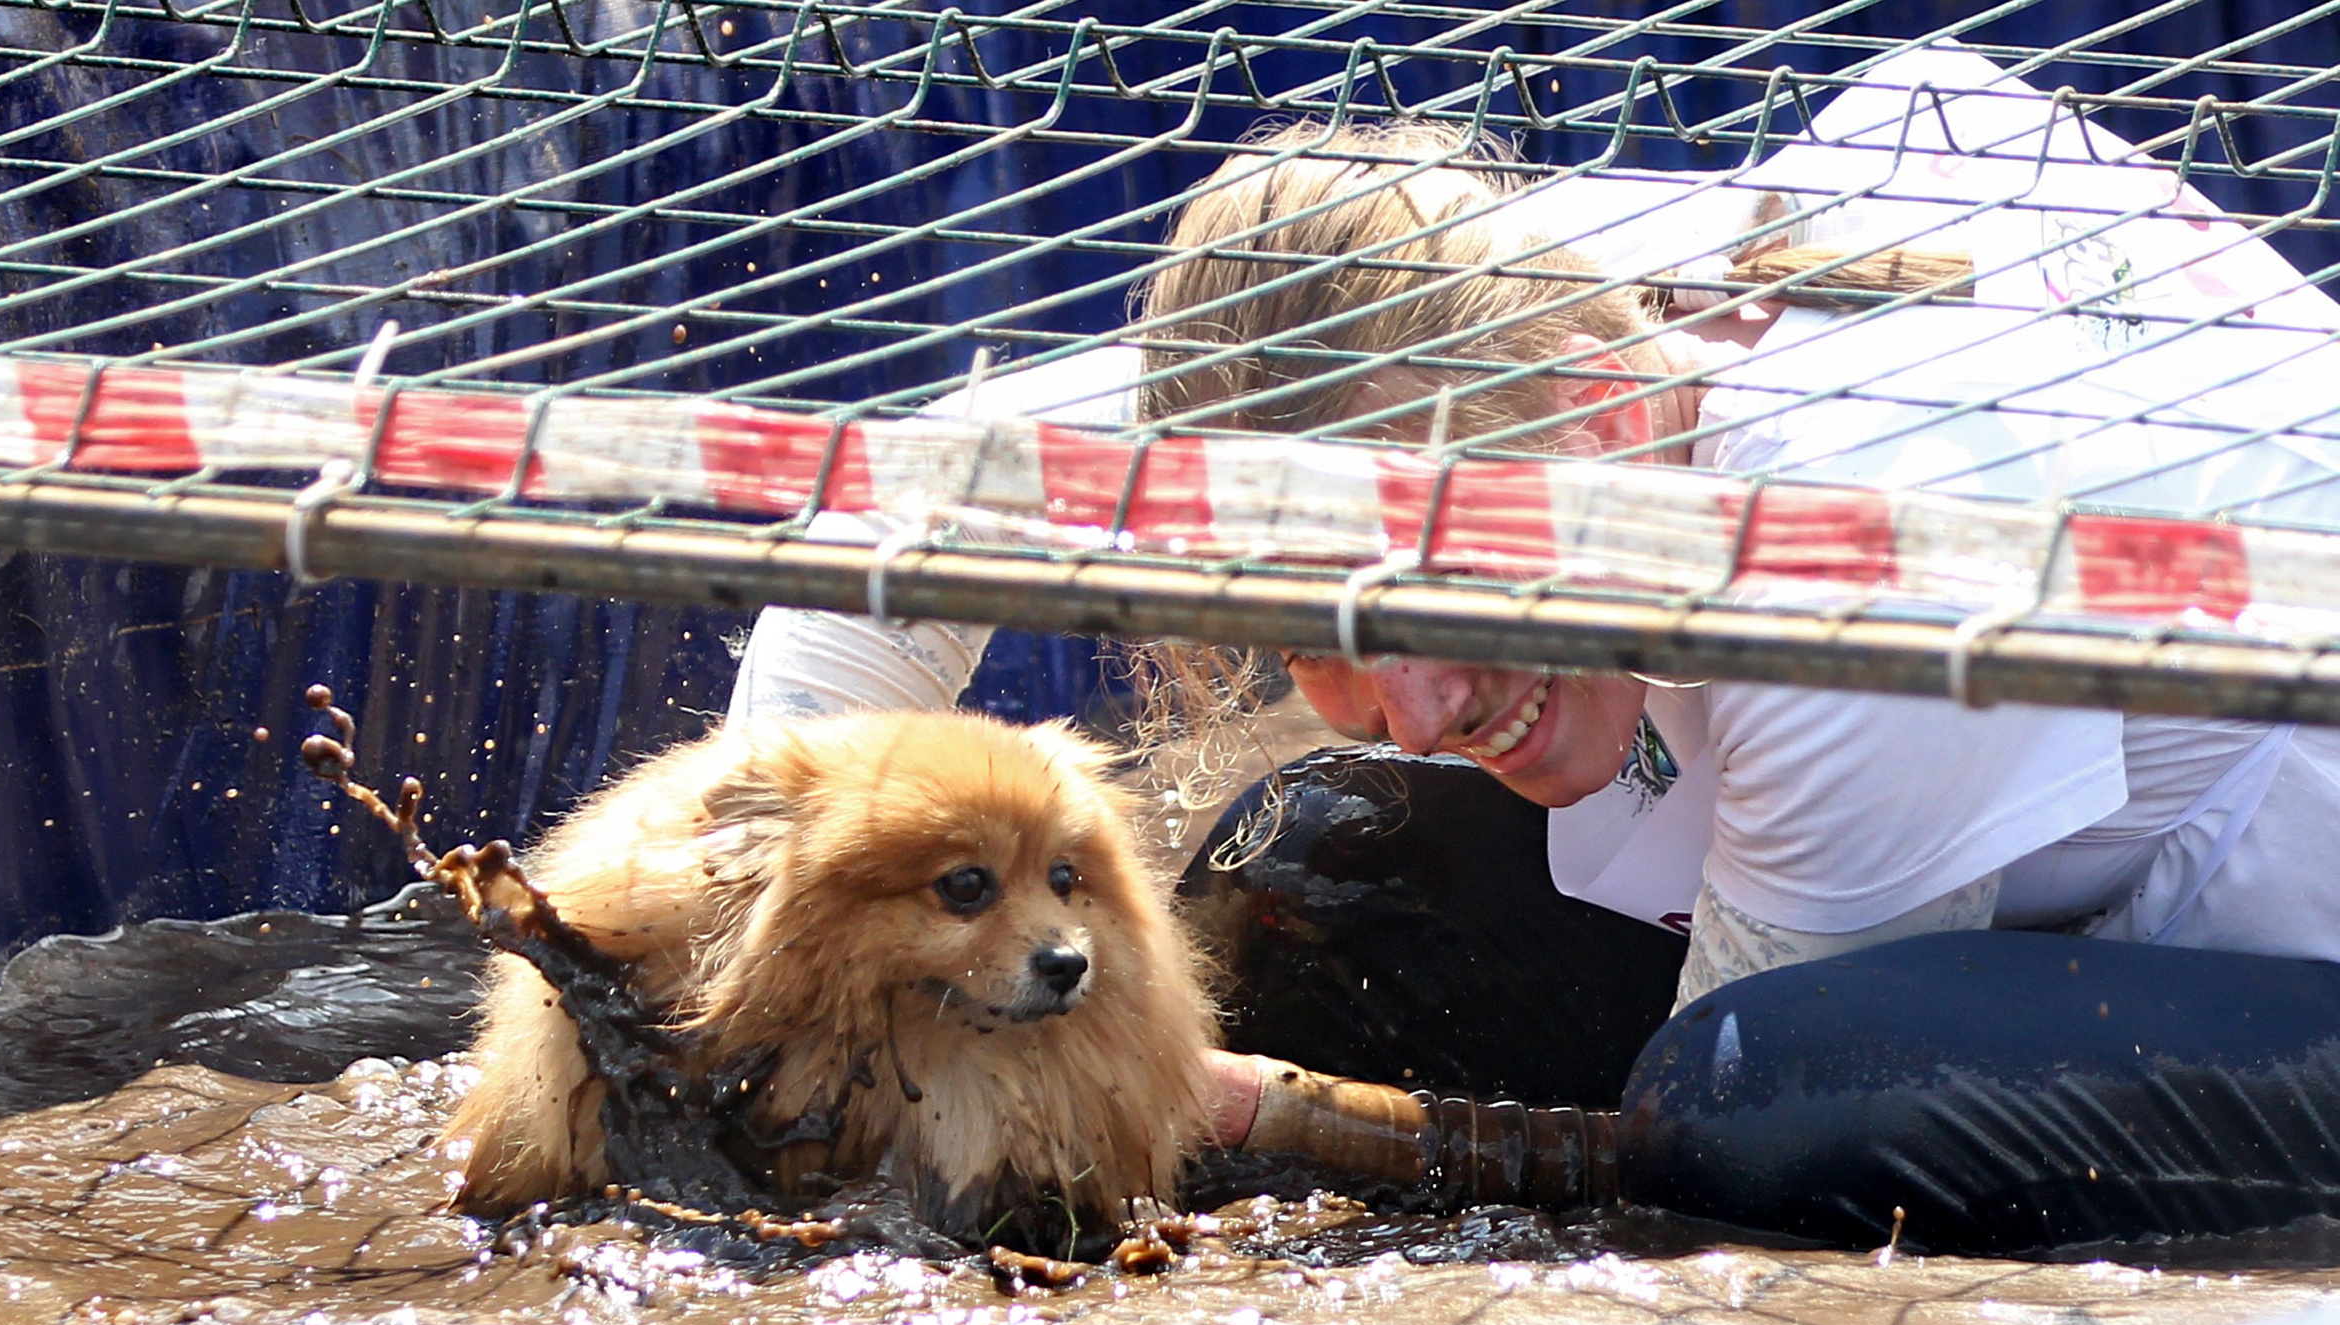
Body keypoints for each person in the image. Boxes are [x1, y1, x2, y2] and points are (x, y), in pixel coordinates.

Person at [730, 110, 2340, 1258]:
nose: (1422, 711)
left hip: (2288, 938)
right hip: (2053, 858)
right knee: (1322, 873)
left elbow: (1679, 1146)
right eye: (1325, 641)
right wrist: (754, 940)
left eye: (1446, 602)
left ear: (1597, 424)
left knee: (1758, 1096)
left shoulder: (1847, 527)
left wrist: (1272, 1119)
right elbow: (916, 494)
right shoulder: (1488, 309)